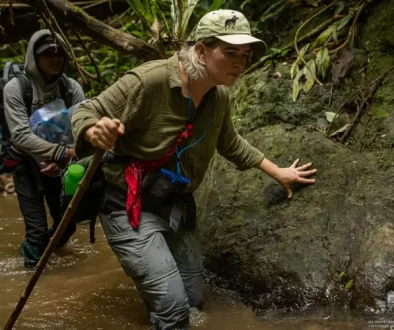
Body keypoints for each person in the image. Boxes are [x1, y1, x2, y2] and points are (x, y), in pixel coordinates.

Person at [72, 9, 317, 329]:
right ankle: (158, 286)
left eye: (244, 55)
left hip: (177, 202)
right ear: (201, 51)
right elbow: (86, 111)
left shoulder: (219, 96)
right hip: (129, 203)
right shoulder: (150, 80)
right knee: (174, 312)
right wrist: (95, 131)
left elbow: (230, 142)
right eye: (230, 52)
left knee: (193, 300)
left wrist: (279, 172)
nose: (240, 63)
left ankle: (158, 285)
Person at [3, 30, 85, 268]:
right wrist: (60, 153)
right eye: (47, 53)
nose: (55, 58)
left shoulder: (71, 89)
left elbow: (81, 129)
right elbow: (19, 135)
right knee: (37, 232)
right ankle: (33, 266)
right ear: (33, 57)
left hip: (60, 166)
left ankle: (50, 255)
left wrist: (64, 158)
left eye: (60, 53)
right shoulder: (17, 88)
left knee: (67, 225)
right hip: (25, 166)